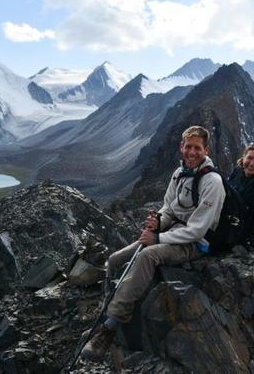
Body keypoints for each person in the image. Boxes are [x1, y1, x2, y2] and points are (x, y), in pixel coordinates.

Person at [81, 125, 226, 361]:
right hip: (171, 232)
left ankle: (110, 328)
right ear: (181, 147)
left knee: (147, 255)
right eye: (187, 146)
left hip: (195, 243)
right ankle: (106, 317)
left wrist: (157, 238)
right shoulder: (179, 173)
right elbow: (169, 208)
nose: (191, 152)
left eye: (197, 148)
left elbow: (197, 230)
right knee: (115, 260)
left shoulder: (213, 182)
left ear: (205, 150)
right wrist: (158, 221)